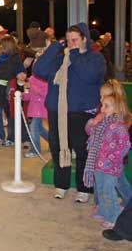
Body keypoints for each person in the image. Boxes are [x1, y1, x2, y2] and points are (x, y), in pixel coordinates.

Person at [34, 22, 106, 202]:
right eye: (68, 41)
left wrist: (74, 55)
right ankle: (61, 184)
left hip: (81, 112)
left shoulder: (95, 59)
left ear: (84, 40)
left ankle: (84, 188)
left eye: (75, 40)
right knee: (58, 148)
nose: (71, 44)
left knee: (82, 151)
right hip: (57, 111)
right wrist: (55, 46)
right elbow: (38, 70)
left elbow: (89, 75)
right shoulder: (59, 59)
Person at [83, 95, 131, 228]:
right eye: (102, 105)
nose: (102, 109)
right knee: (101, 190)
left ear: (117, 108)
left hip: (110, 167)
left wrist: (114, 158)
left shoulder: (119, 126)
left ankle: (114, 216)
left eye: (106, 106)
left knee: (109, 192)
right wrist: (92, 123)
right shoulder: (102, 122)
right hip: (98, 164)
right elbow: (89, 133)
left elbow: (125, 145)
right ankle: (104, 211)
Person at [0, 36, 26, 147]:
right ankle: (0, 136)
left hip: (10, 90)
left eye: (2, 45)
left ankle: (12, 138)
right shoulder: (0, 58)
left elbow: (7, 72)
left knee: (10, 115)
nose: (0, 47)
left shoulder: (15, 59)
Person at [22, 72, 49, 158]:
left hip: (41, 108)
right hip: (33, 108)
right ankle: (54, 143)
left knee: (33, 127)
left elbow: (45, 93)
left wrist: (31, 87)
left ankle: (35, 150)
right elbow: (29, 95)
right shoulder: (31, 79)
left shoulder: (47, 79)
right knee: (39, 128)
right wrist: (23, 95)